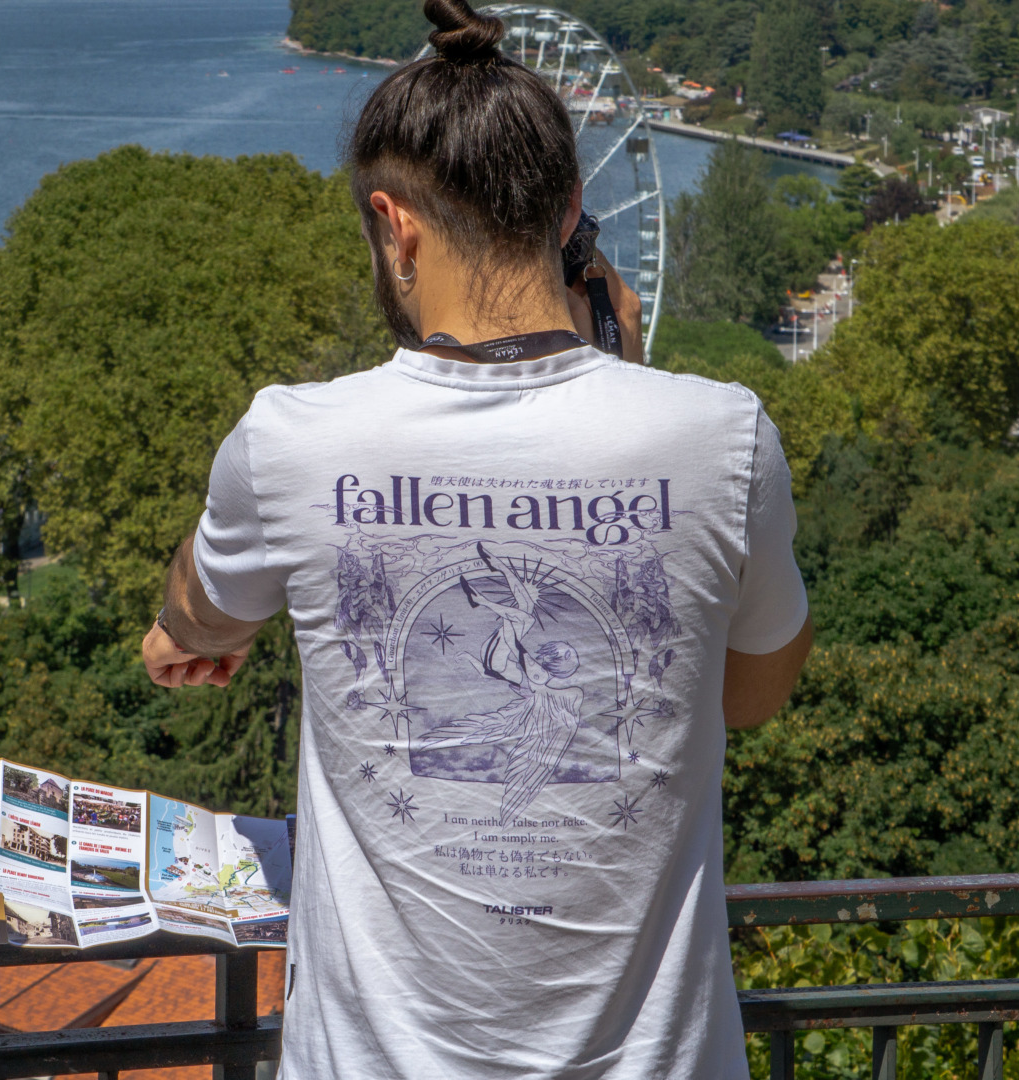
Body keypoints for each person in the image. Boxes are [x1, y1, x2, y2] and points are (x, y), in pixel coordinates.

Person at [138, 0, 814, 1074]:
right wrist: (625, 382)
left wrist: (189, 630)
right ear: (571, 212)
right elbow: (746, 695)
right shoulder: (724, 439)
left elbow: (196, 617)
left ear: (395, 226)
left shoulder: (292, 442)